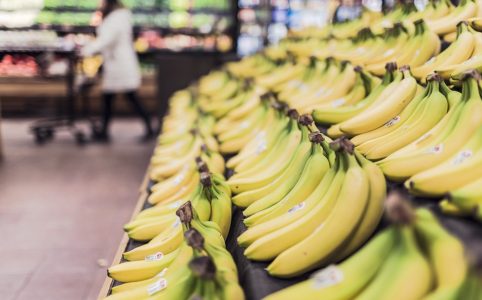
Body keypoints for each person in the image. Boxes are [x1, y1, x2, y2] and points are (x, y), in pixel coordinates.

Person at [81, 0, 154, 142]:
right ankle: (104, 131)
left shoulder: (117, 17)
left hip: (120, 65)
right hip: (115, 64)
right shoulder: (118, 16)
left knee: (130, 97)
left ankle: (149, 127)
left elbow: (107, 40)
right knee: (110, 98)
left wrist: (87, 49)